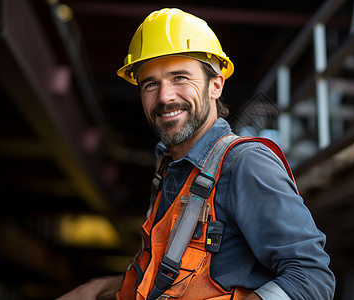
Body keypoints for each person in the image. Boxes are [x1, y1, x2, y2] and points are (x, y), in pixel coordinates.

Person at [58, 8, 335, 300]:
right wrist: (93, 290)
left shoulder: (244, 164)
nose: (164, 97)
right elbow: (162, 276)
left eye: (180, 77)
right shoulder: (171, 171)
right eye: (150, 83)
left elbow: (311, 277)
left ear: (215, 85)